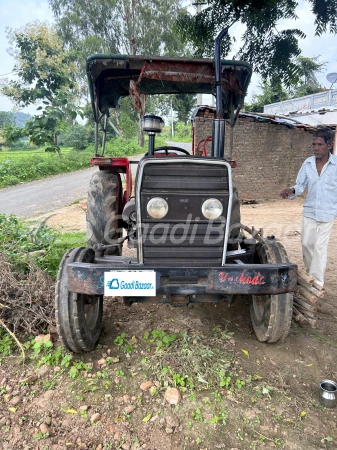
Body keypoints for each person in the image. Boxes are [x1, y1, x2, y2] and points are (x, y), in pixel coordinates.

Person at [280, 127, 337, 288]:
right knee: (306, 244)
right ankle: (311, 275)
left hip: (328, 213)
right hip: (310, 211)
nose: (316, 148)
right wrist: (291, 190)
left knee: (319, 247)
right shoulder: (308, 163)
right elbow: (300, 185)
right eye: (314, 144)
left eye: (319, 144)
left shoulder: (336, 165)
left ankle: (317, 283)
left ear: (329, 145)